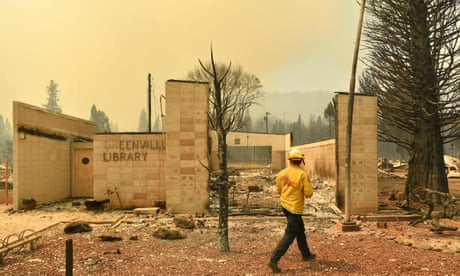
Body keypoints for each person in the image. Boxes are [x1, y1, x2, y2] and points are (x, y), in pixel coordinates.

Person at [267, 149, 316, 273]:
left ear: (289, 160)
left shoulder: (282, 173)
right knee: (290, 234)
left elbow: (278, 190)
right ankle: (274, 260)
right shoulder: (302, 174)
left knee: (300, 230)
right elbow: (309, 193)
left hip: (285, 206)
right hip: (295, 208)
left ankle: (306, 254)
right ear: (300, 161)